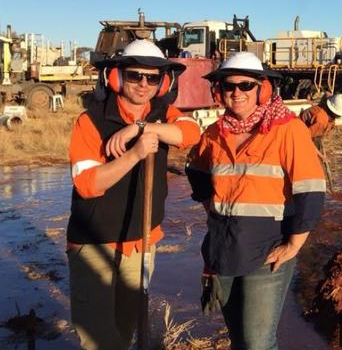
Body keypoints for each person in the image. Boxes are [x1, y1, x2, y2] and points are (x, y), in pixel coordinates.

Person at [186, 52, 325, 350]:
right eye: (229, 86)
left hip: (267, 254)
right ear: (220, 90)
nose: (237, 93)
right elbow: (195, 171)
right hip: (223, 250)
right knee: (239, 341)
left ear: (262, 88)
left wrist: (294, 245)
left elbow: (311, 191)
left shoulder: (287, 130)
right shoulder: (213, 133)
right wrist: (211, 205)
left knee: (258, 344)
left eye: (246, 85)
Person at [67, 40, 201, 349]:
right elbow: (87, 184)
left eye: (152, 77)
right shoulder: (90, 121)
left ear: (162, 82)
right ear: (116, 77)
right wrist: (134, 155)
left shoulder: (163, 113)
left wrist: (142, 127)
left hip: (140, 243)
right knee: (99, 339)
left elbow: (191, 134)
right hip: (93, 243)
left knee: (126, 330)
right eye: (134, 75)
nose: (143, 84)